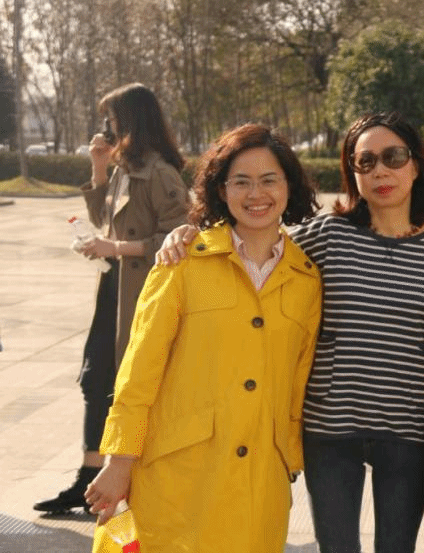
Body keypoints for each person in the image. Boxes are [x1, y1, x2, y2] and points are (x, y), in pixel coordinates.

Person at [157, 112, 424, 552]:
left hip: (408, 428)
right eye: (365, 161)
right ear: (352, 173)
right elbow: (257, 242)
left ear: (416, 165)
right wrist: (190, 235)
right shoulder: (326, 236)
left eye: (394, 157)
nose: (380, 171)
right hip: (330, 428)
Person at [83, 124, 323, 551]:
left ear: (289, 186)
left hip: (260, 484)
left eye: (269, 180)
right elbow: (139, 371)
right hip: (178, 478)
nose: (256, 194)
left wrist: (287, 461)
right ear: (221, 190)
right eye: (241, 182)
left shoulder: (306, 278)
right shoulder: (182, 262)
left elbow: (297, 382)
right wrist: (119, 461)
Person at [33, 83, 188, 514]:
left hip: (142, 294)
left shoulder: (160, 173)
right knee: (94, 379)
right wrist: (99, 167)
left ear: (132, 121)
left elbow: (180, 237)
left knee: (124, 383)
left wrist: (116, 248)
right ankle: (88, 477)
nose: (107, 127)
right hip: (114, 289)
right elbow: (103, 217)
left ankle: (122, 480)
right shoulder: (125, 169)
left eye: (113, 119)